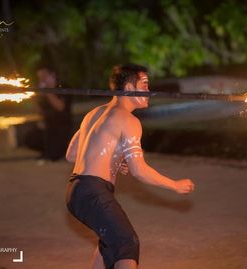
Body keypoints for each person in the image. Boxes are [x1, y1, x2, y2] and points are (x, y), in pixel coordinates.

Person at [65, 63, 195, 269]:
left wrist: (114, 158)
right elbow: (139, 170)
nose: (149, 91)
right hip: (93, 192)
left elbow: (71, 155)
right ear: (128, 88)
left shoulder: (93, 113)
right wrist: (174, 185)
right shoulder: (129, 120)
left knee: (110, 244)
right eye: (144, 85)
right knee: (127, 243)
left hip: (76, 190)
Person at [35, 66, 72, 161]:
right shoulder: (43, 92)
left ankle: (59, 150)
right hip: (48, 129)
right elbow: (39, 112)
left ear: (53, 75)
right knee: (29, 138)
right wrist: (38, 97)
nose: (42, 80)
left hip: (62, 128)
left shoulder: (63, 87)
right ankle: (49, 151)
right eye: (40, 77)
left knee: (54, 155)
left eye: (44, 76)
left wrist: (48, 92)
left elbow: (60, 107)